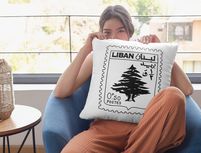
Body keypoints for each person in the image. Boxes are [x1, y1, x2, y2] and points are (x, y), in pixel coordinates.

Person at [54, 5, 193, 153]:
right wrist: (85, 49)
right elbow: (61, 92)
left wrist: (160, 50)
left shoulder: (147, 51)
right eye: (107, 32)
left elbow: (187, 89)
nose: (113, 37)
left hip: (145, 130)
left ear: (129, 32)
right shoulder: (96, 56)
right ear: (101, 34)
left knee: (174, 94)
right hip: (104, 133)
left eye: (120, 31)